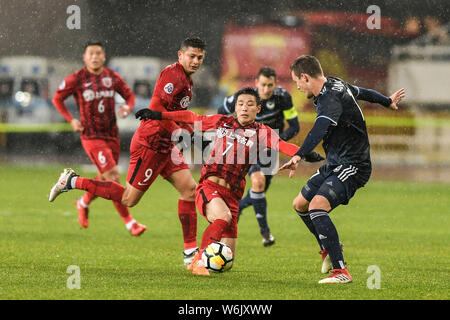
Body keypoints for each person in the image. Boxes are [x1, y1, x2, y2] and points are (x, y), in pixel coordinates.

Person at [50, 37, 206, 266]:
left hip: (163, 144)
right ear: (180, 55)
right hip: (151, 144)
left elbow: (171, 112)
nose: (195, 61)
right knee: (128, 198)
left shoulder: (187, 79)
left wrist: (190, 130)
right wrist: (184, 133)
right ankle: (73, 181)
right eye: (191, 56)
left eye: (199, 57)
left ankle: (190, 252)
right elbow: (155, 109)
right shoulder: (173, 76)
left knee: (189, 190)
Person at [134, 87, 302, 276]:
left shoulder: (262, 132)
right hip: (209, 187)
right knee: (224, 218)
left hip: (232, 196)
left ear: (258, 109)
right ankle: (198, 262)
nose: (244, 108)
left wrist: (299, 154)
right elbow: (191, 117)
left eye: (250, 104)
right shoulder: (223, 122)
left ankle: (206, 258)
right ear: (235, 108)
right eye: (240, 104)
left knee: (227, 261)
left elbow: (283, 145)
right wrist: (158, 115)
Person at [279, 55, 405, 284]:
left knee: (318, 205)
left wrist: (298, 154)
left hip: (353, 165)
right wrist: (386, 101)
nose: (296, 86)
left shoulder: (329, 99)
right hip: (336, 162)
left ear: (305, 77)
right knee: (300, 204)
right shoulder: (336, 83)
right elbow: (363, 92)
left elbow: (320, 128)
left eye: (296, 81)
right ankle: (329, 248)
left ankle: (341, 272)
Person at [218, 66, 324, 247]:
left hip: (270, 150)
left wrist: (274, 142)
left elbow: (294, 127)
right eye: (263, 85)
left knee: (259, 192)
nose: (266, 89)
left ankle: (237, 209)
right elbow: (221, 113)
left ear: (275, 85)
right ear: (256, 83)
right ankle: (266, 233)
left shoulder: (283, 97)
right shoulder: (246, 98)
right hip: (248, 148)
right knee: (257, 183)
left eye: (270, 85)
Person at [52, 41, 145, 236]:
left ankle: (83, 202)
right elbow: (57, 98)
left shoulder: (111, 77)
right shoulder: (76, 78)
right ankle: (130, 222)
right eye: (91, 53)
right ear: (85, 58)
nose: (95, 56)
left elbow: (129, 96)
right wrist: (71, 119)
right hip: (91, 135)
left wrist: (128, 107)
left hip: (111, 134)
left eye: (98, 53)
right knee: (112, 176)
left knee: (103, 178)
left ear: (104, 57)